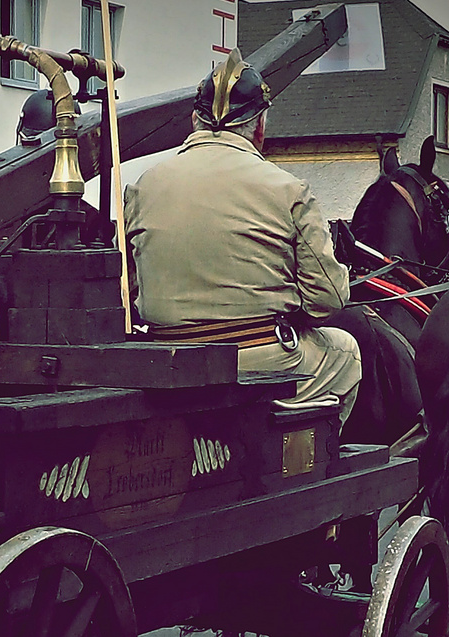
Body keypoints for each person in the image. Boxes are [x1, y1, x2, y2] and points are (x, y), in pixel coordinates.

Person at [125, 49, 361, 419]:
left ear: (194, 121)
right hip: (256, 361)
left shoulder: (142, 187)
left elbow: (130, 288)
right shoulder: (288, 189)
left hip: (169, 365)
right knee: (345, 352)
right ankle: (306, 466)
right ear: (261, 126)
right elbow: (329, 299)